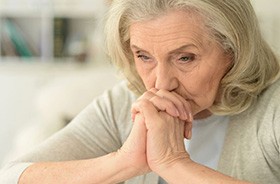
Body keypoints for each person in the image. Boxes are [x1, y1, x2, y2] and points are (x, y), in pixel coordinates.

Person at [1, 0, 280, 183]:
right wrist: (124, 162)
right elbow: (12, 176)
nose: (161, 83)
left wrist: (173, 163)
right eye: (144, 56)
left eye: (185, 58)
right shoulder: (124, 102)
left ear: (233, 51)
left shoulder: (273, 107)